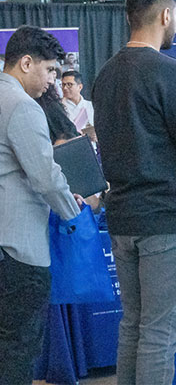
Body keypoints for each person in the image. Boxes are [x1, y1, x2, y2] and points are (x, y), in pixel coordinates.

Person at [91, 0, 176, 383]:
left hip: (124, 219)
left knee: (134, 326)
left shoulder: (105, 75)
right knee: (160, 333)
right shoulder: (170, 72)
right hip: (168, 219)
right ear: (165, 16)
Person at [0, 25, 82, 384]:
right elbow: (46, 178)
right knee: (18, 350)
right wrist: (73, 210)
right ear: (26, 62)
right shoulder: (23, 107)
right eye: (50, 70)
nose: (53, 82)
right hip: (18, 252)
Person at [35, 71, 79, 144]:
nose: (51, 81)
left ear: (80, 87)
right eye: (63, 84)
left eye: (70, 85)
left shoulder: (52, 105)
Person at [62, 70, 94, 135]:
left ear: (80, 87)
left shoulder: (90, 106)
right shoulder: (59, 107)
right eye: (63, 84)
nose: (65, 88)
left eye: (69, 84)